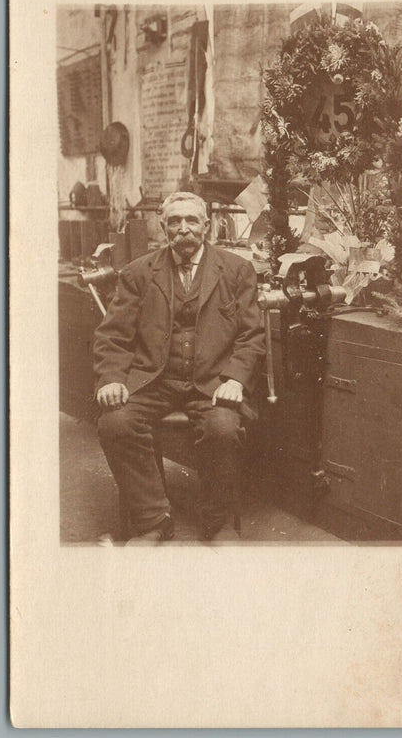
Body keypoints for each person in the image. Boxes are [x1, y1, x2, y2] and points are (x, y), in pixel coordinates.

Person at [94, 192, 265, 543]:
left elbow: (251, 336)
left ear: (207, 225)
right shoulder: (139, 272)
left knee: (223, 428)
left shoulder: (236, 270)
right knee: (115, 423)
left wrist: (234, 379)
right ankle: (152, 521)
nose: (183, 229)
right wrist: (111, 378)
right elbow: (112, 335)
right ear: (163, 227)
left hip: (212, 382)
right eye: (174, 221)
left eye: (191, 221)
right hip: (154, 380)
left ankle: (218, 523)